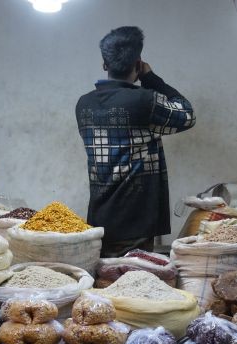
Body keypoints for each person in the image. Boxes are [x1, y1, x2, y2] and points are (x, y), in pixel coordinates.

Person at [75, 26, 196, 258]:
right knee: (133, 284)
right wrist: (151, 78)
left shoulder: (84, 104)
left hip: (100, 218)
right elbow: (188, 114)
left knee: (107, 284)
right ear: (138, 63)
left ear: (104, 64)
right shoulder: (144, 101)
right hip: (137, 220)